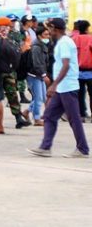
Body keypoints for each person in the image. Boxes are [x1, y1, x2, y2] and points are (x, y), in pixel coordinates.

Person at [28, 18, 90, 158]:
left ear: (55, 29)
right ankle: (45, 147)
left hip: (67, 86)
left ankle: (83, 149)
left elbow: (66, 65)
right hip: (62, 87)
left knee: (73, 118)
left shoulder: (64, 43)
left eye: (50, 28)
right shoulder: (62, 42)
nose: (48, 31)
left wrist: (54, 85)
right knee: (49, 116)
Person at [0, 16, 31, 129]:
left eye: (8, 26)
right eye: (4, 26)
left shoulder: (14, 36)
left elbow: (19, 49)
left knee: (12, 94)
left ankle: (18, 117)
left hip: (10, 71)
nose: (6, 28)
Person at [24, 24, 51, 127]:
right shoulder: (36, 47)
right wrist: (44, 75)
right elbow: (36, 63)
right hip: (34, 75)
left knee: (42, 97)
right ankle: (36, 118)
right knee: (38, 97)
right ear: (39, 35)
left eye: (48, 34)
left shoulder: (42, 45)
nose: (47, 36)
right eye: (45, 34)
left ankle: (26, 112)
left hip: (39, 75)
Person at [73, 21, 92, 121]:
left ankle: (82, 115)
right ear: (86, 29)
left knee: (80, 95)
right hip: (90, 71)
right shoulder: (90, 38)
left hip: (78, 72)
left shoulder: (74, 39)